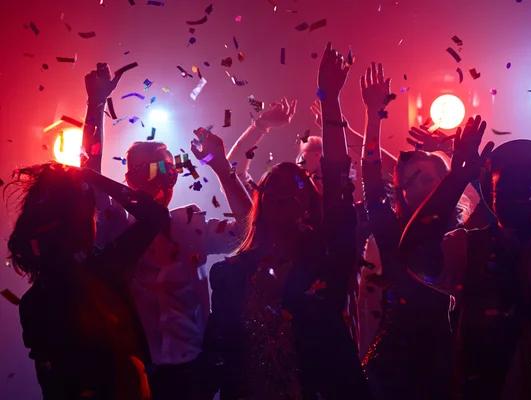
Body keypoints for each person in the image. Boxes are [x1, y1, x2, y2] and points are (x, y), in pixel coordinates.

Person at [202, 42, 371, 400]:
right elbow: (218, 356)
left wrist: (329, 99)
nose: (285, 191)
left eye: (297, 185)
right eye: (274, 186)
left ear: (309, 203)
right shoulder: (230, 274)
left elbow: (338, 176)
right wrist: (221, 162)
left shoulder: (328, 256)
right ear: (260, 202)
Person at [399, 115, 531, 399]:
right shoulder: (466, 250)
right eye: (510, 186)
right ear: (490, 195)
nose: (523, 196)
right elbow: (415, 257)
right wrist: (456, 178)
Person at [83, 63, 253, 399]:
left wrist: (219, 164)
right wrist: (96, 103)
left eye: (170, 168)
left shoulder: (187, 225)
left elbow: (249, 230)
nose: (163, 177)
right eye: (151, 169)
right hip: (135, 375)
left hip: (195, 377)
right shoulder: (116, 225)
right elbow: (89, 174)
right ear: (128, 180)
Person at [8, 162, 169, 400]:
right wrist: (95, 178)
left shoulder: (34, 302)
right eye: (85, 219)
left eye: (91, 217)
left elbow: (51, 381)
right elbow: (155, 216)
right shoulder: (104, 269)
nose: (91, 226)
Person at [357, 62, 470, 399]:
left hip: (455, 361)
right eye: (411, 178)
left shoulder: (467, 236)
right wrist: (373, 116)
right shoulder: (393, 237)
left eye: (430, 175)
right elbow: (372, 182)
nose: (422, 182)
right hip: (395, 369)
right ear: (401, 194)